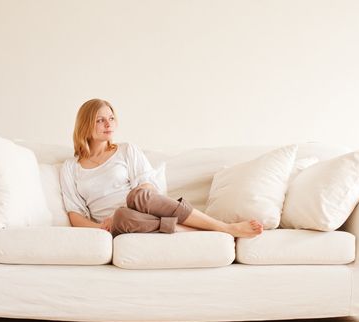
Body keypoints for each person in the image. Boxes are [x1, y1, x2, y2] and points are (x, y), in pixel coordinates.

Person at [60, 98, 264, 238]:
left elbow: (148, 188)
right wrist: (100, 227)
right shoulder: (71, 167)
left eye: (111, 118)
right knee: (122, 216)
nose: (108, 124)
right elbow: (75, 214)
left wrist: (136, 200)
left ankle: (223, 227)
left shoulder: (126, 150)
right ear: (85, 125)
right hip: (120, 223)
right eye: (100, 120)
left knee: (138, 195)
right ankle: (199, 230)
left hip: (139, 208)